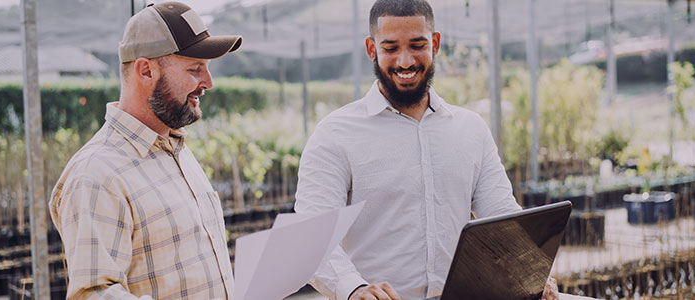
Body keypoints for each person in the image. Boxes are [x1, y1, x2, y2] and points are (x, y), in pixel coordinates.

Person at [294, 1, 559, 300]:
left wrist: (531, 268)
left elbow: (502, 217)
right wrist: (355, 289)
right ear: (371, 49)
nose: (405, 61)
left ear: (435, 43)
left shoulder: (470, 129)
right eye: (390, 47)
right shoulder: (335, 134)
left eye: (417, 45)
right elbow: (310, 237)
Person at [49, 2, 242, 299]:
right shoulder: (97, 174)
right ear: (146, 71)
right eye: (195, 69)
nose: (208, 83)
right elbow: (94, 293)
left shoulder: (174, 147)